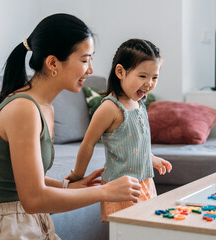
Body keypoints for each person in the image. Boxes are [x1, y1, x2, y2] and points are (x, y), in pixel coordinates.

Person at [0, 13, 142, 239]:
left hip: (31, 220)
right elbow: (33, 199)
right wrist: (105, 191)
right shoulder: (23, 109)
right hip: (7, 226)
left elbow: (27, 177)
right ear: (53, 63)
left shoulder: (44, 108)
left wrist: (69, 186)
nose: (90, 69)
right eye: (84, 60)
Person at [66, 39, 172, 222]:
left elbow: (136, 142)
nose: (149, 83)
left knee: (148, 229)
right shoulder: (110, 108)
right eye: (142, 76)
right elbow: (88, 144)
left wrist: (150, 158)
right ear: (121, 72)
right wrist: (77, 175)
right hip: (120, 187)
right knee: (128, 230)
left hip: (145, 181)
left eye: (154, 77)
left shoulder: (139, 103)